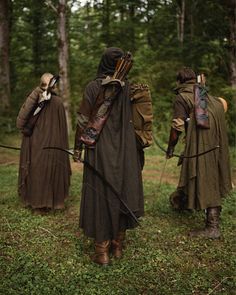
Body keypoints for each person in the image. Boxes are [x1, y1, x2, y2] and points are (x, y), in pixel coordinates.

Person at [74, 47, 145, 265]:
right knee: (122, 189)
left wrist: (78, 146)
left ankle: (101, 251)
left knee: (100, 193)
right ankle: (117, 246)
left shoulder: (93, 87)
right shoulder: (129, 88)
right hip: (126, 150)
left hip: (99, 150)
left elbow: (83, 120)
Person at [166, 67, 232, 239]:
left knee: (205, 175)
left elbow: (176, 127)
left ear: (179, 82)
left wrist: (171, 147)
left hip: (203, 143)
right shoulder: (207, 95)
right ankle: (181, 200)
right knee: (197, 168)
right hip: (217, 142)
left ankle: (212, 227)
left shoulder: (182, 97)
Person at [16, 73, 71, 212]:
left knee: (39, 167)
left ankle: (39, 201)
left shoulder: (51, 101)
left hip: (40, 141)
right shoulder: (39, 99)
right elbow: (23, 119)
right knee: (42, 168)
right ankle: (49, 202)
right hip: (43, 141)